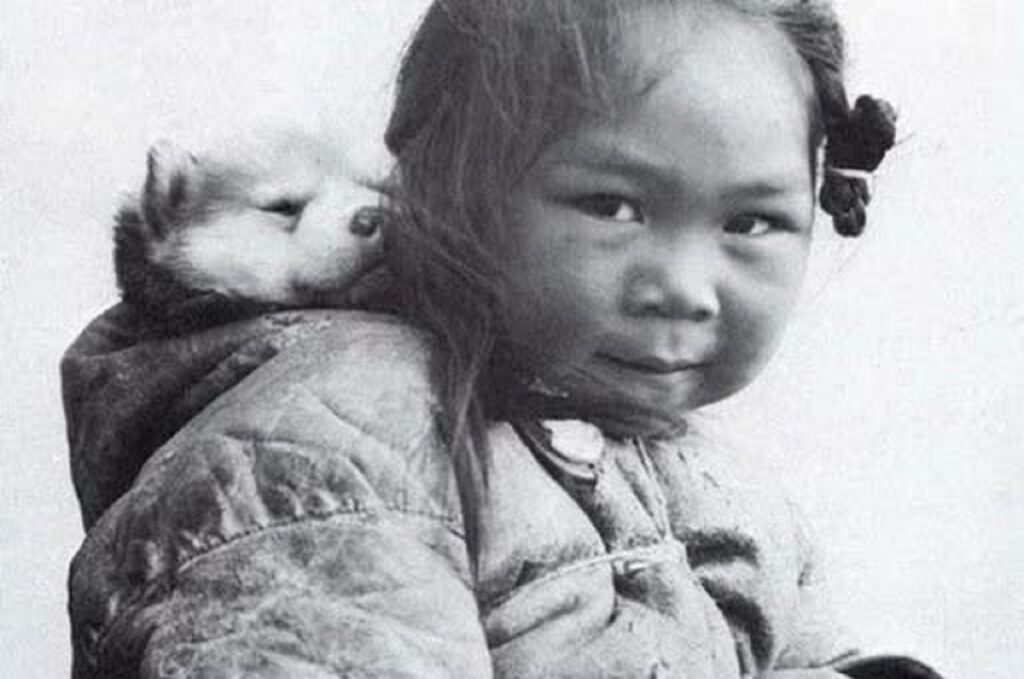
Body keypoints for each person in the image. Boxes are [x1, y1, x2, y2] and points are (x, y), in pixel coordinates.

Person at [62, 1, 942, 677]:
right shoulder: (328, 446)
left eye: (750, 221)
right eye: (613, 206)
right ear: (447, 191)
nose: (684, 286)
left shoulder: (702, 465)